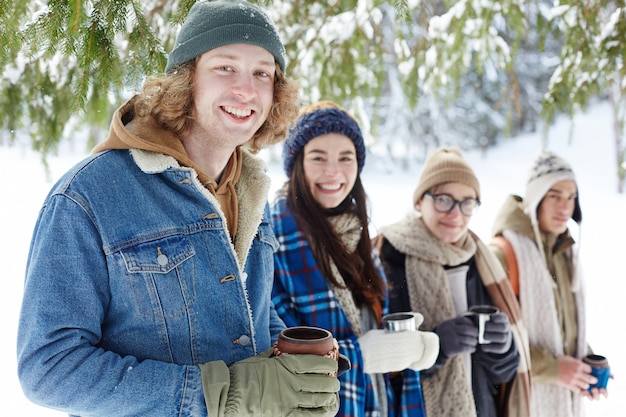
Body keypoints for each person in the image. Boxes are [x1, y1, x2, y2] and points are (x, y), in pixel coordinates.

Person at [16, 2, 343, 416]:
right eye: (225, 68)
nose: (246, 89)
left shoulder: (249, 189)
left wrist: (288, 373)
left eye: (262, 73)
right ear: (187, 80)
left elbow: (245, 307)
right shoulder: (88, 195)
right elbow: (49, 368)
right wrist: (217, 394)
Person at [271, 101, 440, 416]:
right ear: (298, 165)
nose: (333, 171)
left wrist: (407, 348)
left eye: (345, 158)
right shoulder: (273, 242)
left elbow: (370, 327)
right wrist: (362, 355)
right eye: (318, 158)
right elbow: (275, 355)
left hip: (375, 405)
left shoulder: (355, 237)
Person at [376, 147, 532, 417]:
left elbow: (504, 375)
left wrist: (503, 349)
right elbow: (378, 368)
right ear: (419, 201)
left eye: (467, 202)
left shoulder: (480, 262)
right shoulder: (386, 259)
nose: (456, 213)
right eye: (443, 199)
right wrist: (434, 347)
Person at [490, 149, 609, 417]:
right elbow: (489, 343)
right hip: (521, 402)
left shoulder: (564, 252)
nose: (565, 207)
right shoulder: (504, 253)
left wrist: (584, 364)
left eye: (571, 197)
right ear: (536, 198)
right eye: (554, 196)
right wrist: (552, 369)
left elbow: (561, 327)